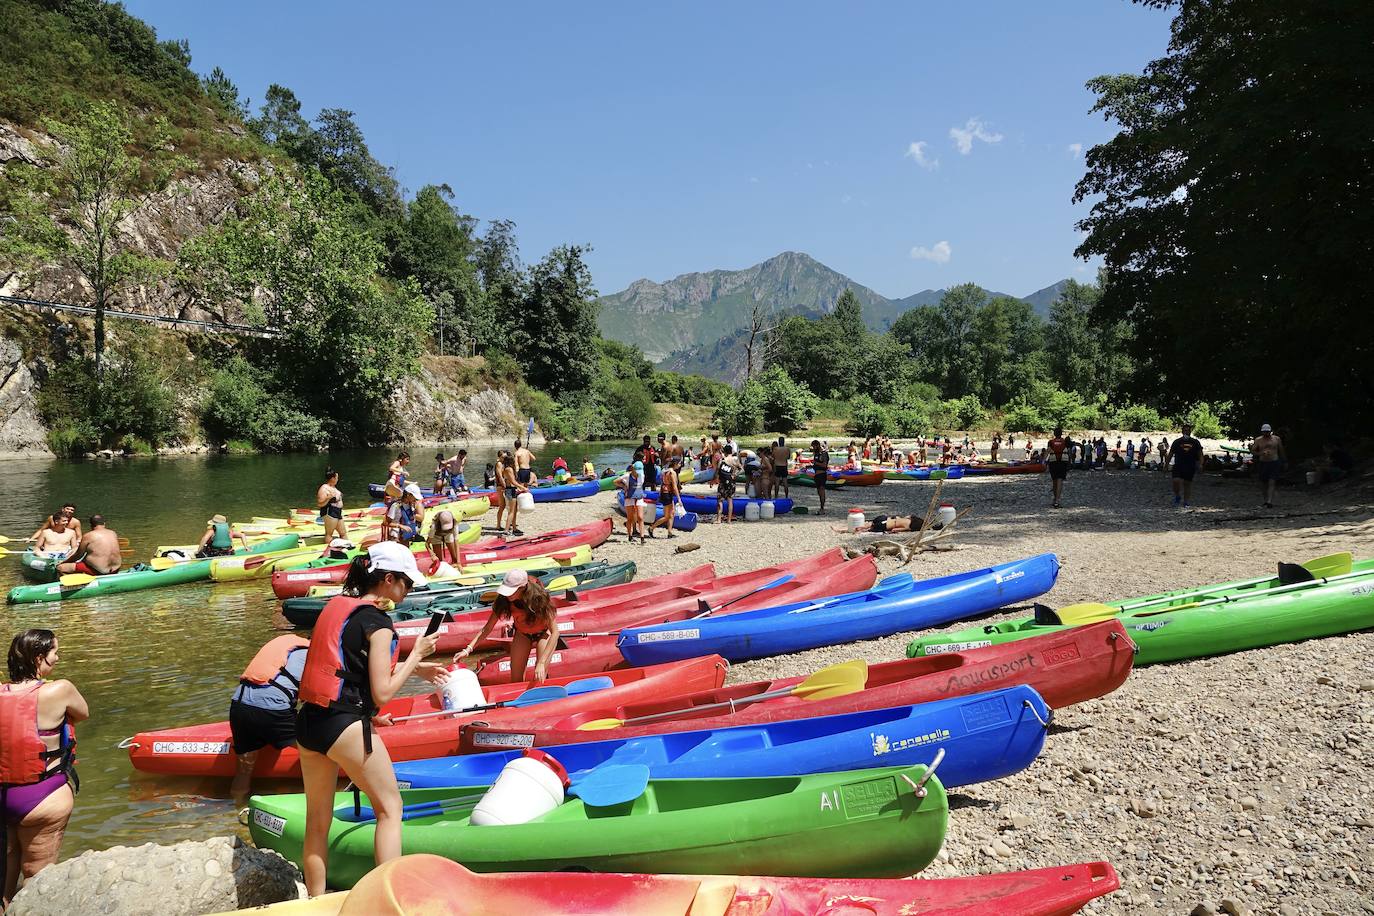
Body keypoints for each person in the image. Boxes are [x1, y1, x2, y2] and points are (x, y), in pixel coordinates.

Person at [294, 542, 443, 897]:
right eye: (406, 582)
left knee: (317, 821)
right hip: (343, 725)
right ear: (388, 579)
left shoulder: (343, 608)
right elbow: (383, 694)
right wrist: (416, 654)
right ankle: (386, 899)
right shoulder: (380, 624)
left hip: (309, 722)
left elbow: (348, 665)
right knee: (390, 809)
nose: (408, 589)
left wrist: (416, 668)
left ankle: (316, 901)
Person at [2, 629, 87, 907]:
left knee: (4, 882)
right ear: (39, 658)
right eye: (54, 653)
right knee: (37, 880)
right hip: (44, 795)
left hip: (4, 796)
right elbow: (83, 714)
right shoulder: (59, 689)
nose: (58, 658)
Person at [229, 634, 309, 800]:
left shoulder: (283, 641)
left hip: (239, 706)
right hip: (272, 711)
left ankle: (236, 807)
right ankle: (311, 800)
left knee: (244, 770)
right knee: (316, 750)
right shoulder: (312, 654)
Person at [453, 568, 558, 684]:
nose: (508, 594)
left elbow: (555, 632)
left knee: (539, 676)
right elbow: (487, 628)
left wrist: (541, 662)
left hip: (543, 634)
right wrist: (467, 650)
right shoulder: (504, 599)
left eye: (512, 591)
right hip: (522, 634)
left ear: (522, 588)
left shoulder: (539, 598)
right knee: (516, 679)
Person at [56, 516, 120, 577]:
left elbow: (78, 555)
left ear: (91, 525)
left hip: (98, 571)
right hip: (115, 569)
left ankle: (72, 586)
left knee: (60, 568)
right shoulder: (113, 533)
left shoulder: (88, 536)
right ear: (104, 523)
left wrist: (63, 562)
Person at [1166, 423, 1204, 507]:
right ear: (1182, 431)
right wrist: (1166, 464)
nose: (1186, 432)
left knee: (1187, 484)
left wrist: (1201, 464)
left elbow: (1200, 454)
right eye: (1185, 430)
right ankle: (1177, 496)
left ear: (1190, 432)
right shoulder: (1177, 442)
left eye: (1188, 430)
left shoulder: (1195, 442)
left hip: (1190, 466)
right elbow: (1170, 454)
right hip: (1178, 465)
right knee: (1175, 481)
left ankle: (1186, 502)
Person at [1251, 423, 1286, 508]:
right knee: (1263, 483)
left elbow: (1281, 450)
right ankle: (1266, 500)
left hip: (1274, 462)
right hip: (1263, 462)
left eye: (1267, 432)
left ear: (1270, 431)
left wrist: (1284, 460)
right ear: (1262, 432)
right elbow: (1253, 451)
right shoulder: (1258, 440)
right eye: (1264, 432)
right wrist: (1261, 453)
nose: (1266, 433)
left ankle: (1269, 501)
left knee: (1272, 481)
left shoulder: (1276, 439)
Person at [653, 456, 685, 538]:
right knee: (667, 516)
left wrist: (660, 495)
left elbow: (663, 484)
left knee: (672, 513)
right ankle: (651, 527)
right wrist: (679, 499)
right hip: (667, 494)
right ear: (675, 463)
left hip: (664, 493)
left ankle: (670, 532)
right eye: (679, 463)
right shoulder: (672, 473)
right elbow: (674, 487)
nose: (680, 465)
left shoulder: (665, 471)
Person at [616, 461, 646, 544]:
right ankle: (630, 535)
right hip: (629, 498)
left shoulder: (642, 475)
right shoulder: (627, 476)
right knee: (630, 518)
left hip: (639, 498)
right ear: (633, 469)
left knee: (640, 517)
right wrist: (624, 486)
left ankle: (642, 537)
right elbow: (615, 481)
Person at [499, 452, 528, 537]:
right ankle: (506, 530)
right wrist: (523, 488)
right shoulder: (509, 469)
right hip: (510, 490)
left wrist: (519, 488)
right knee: (511, 512)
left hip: (510, 490)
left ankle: (514, 528)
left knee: (514, 511)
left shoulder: (506, 469)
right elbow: (513, 482)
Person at [316, 469, 348, 545]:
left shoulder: (334, 488)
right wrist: (328, 498)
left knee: (343, 533)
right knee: (329, 533)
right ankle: (327, 550)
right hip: (330, 512)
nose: (337, 479)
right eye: (337, 477)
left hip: (338, 512)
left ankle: (346, 546)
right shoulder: (324, 488)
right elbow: (320, 503)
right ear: (333, 478)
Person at [1046, 427, 1070, 508]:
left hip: (1053, 462)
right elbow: (1070, 450)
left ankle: (1054, 498)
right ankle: (1057, 500)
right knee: (1060, 480)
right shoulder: (1065, 441)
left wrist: (1043, 462)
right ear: (1061, 433)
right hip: (1062, 462)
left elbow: (1048, 451)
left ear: (1054, 434)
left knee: (1054, 481)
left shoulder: (1051, 442)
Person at [715, 446, 740, 524]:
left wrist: (714, 480)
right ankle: (729, 520)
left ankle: (719, 520)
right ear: (731, 451)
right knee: (730, 500)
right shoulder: (735, 460)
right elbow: (741, 469)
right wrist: (735, 475)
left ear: (724, 452)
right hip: (731, 482)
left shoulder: (722, 461)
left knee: (720, 500)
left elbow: (717, 472)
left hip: (722, 482)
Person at [834, 514, 918, 534]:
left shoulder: (909, 518)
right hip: (884, 525)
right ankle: (842, 530)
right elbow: (894, 530)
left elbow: (907, 515)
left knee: (866, 524)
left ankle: (841, 528)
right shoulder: (908, 527)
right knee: (864, 529)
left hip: (884, 518)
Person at [811, 438, 830, 515]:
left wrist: (816, 463)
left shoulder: (824, 454)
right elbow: (816, 464)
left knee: (822, 491)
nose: (812, 448)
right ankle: (821, 507)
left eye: (813, 446)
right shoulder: (816, 454)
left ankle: (822, 508)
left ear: (817, 445)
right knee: (819, 492)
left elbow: (824, 465)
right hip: (816, 475)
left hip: (822, 474)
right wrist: (810, 466)